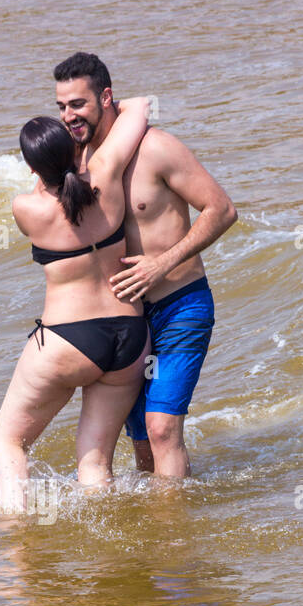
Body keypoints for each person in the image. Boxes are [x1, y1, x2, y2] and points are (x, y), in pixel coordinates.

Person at [53, 52, 237, 478]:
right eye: (61, 106)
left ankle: (175, 539)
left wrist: (163, 262)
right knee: (140, 442)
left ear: (106, 97)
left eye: (77, 104)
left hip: (179, 305)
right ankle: (163, 533)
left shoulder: (157, 148)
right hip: (127, 319)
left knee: (161, 429)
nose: (68, 116)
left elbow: (221, 209)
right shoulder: (78, 163)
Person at [0, 99, 151, 514]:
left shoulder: (26, 207)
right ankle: (105, 550)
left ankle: (17, 549)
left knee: (9, 441)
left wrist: (47, 171)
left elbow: (47, 193)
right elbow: (140, 108)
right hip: (130, 337)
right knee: (95, 460)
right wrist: (94, 121)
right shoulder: (108, 173)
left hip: (68, 339)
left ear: (31, 168)